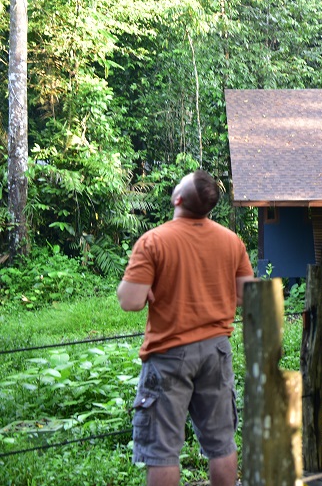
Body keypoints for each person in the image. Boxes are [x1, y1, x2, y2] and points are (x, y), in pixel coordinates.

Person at [117, 170, 256, 486]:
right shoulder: (230, 241)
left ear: (178, 198)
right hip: (217, 351)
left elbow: (130, 301)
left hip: (169, 354)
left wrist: (148, 288)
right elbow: (247, 296)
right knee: (221, 442)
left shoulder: (154, 241)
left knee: (162, 450)